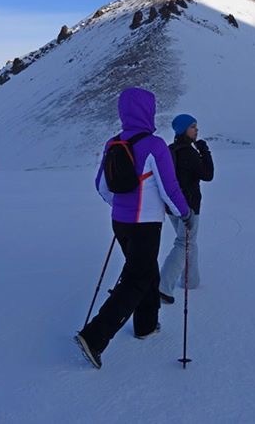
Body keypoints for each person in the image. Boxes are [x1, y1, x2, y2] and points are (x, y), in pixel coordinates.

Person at [76, 88, 192, 369]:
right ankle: (94, 337)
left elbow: (101, 186)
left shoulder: (113, 143)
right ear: (147, 111)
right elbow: (169, 187)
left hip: (120, 222)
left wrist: (120, 207)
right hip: (146, 223)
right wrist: (184, 213)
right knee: (137, 278)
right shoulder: (154, 145)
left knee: (145, 270)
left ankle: (146, 324)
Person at [159, 114, 214, 304]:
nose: (196, 130)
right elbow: (207, 175)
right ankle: (163, 286)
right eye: (193, 126)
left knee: (189, 242)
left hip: (172, 206)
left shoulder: (170, 149)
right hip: (188, 207)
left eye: (196, 126)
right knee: (184, 243)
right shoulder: (188, 152)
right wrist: (204, 150)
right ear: (183, 130)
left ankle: (191, 281)